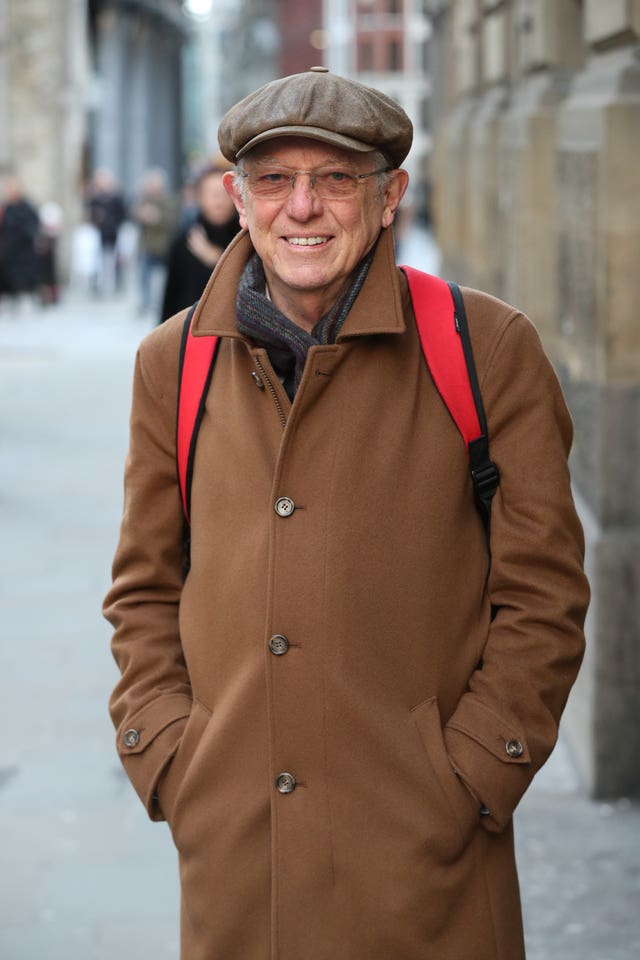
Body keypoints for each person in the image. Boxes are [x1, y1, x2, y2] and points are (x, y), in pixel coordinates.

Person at [104, 68, 589, 960]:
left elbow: (545, 596)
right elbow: (142, 588)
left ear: (390, 195)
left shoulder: (488, 348)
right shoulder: (172, 364)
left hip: (429, 871)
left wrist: (475, 772)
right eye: (276, 181)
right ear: (238, 200)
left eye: (335, 179)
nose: (304, 209)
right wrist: (171, 754)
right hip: (236, 866)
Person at [159, 162, 239, 321]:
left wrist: (215, 258)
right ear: (199, 198)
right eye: (212, 193)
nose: (218, 200)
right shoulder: (185, 240)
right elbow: (171, 295)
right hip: (190, 330)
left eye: (224, 193)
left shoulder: (247, 238)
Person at [132, 167, 178, 315]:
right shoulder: (143, 200)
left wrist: (156, 218)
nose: (150, 187)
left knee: (162, 278)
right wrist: (140, 214)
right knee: (144, 277)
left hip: (163, 247)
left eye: (153, 184)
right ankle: (145, 303)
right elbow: (133, 215)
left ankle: (160, 302)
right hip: (146, 247)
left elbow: (172, 221)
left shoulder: (168, 200)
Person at [0, 176, 41, 305]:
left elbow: (33, 227)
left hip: (22, 252)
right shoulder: (7, 208)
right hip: (7, 251)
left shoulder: (27, 207)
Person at [86, 168, 127, 294]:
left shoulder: (116, 197)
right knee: (97, 261)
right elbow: (89, 214)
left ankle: (117, 285)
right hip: (98, 234)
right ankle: (96, 285)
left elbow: (123, 215)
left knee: (115, 259)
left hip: (113, 233)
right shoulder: (94, 198)